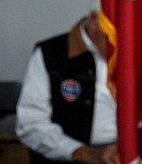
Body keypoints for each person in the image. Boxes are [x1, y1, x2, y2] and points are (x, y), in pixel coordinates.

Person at [15, 9, 117, 164]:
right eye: (113, 28)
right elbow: (31, 123)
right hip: (70, 155)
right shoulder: (50, 53)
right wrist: (83, 153)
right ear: (93, 18)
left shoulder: (138, 53)